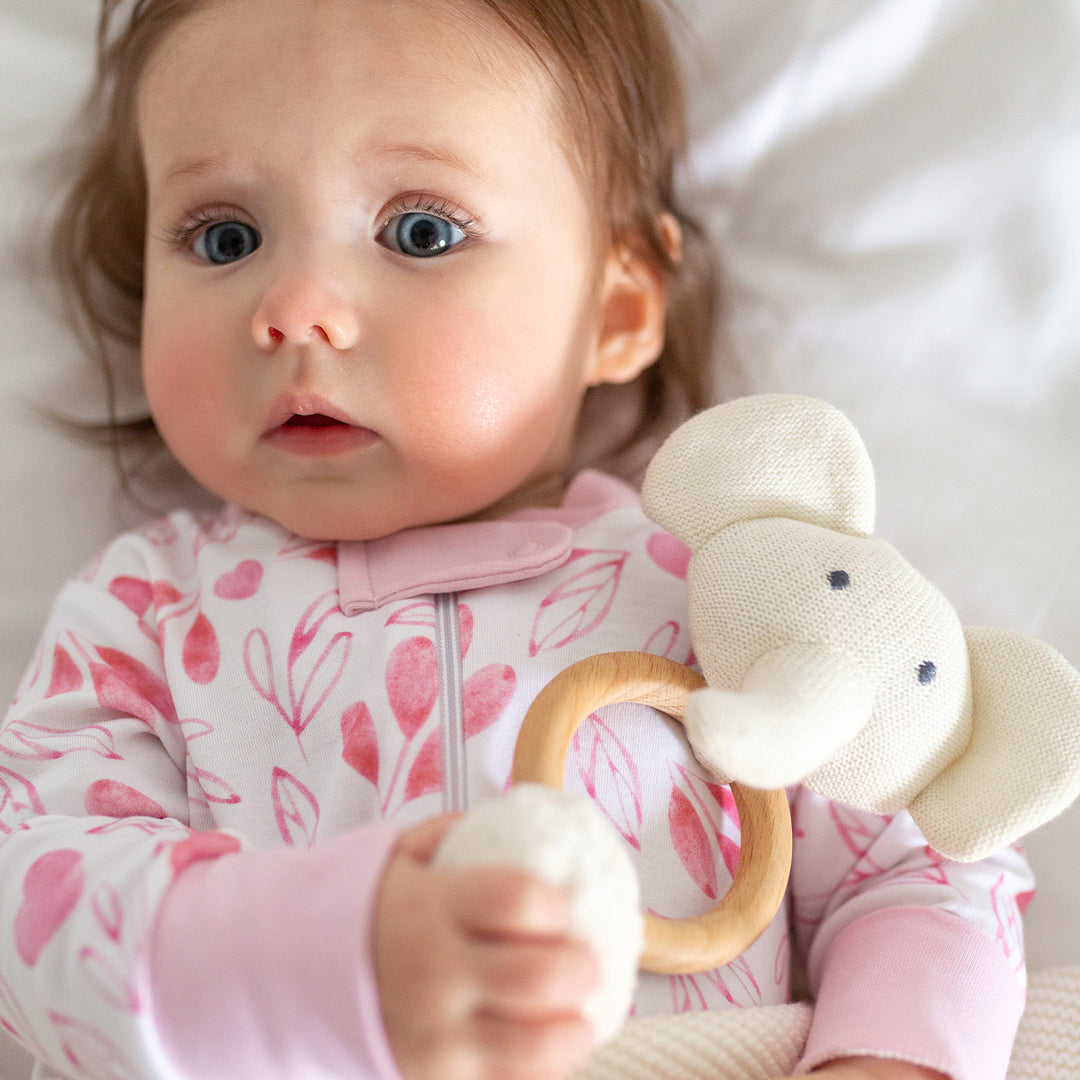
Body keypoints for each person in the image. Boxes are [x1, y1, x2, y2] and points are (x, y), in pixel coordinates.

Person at [0, 1, 1032, 1079]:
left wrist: (891, 1057)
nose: (294, 308)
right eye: (225, 237)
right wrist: (332, 961)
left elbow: (927, 870)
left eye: (422, 232)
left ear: (619, 310)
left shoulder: (713, 596)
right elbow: (39, 907)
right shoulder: (150, 618)